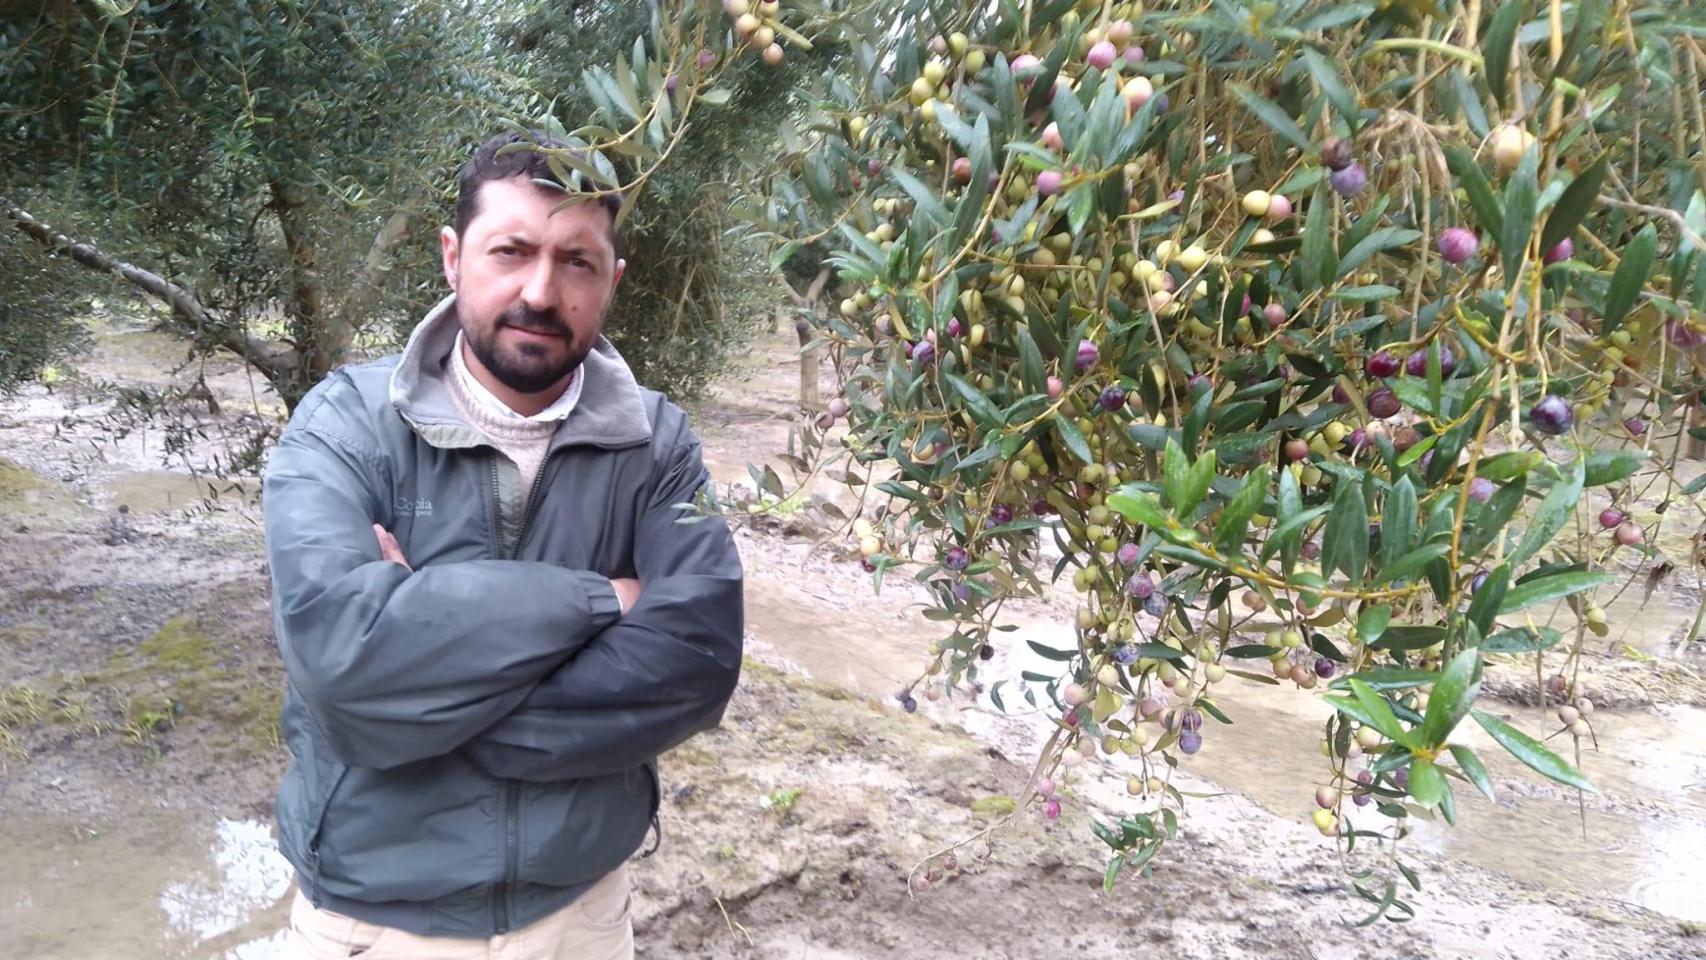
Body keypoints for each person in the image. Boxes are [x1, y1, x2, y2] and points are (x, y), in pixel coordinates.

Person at [261, 129, 744, 959]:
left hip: (581, 921)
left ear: (614, 279)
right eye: (510, 251)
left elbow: (697, 663)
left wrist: (433, 695)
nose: (541, 291)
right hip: (371, 927)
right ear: (453, 257)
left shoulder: (657, 445)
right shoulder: (346, 425)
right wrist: (608, 600)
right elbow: (343, 668)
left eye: (577, 262)